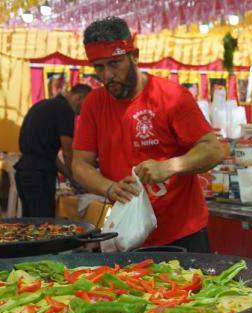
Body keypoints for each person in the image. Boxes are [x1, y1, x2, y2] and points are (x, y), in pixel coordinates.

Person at [72, 17, 224, 252]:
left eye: (115, 63)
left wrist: (170, 166)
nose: (108, 75)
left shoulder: (171, 96)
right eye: (99, 67)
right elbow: (80, 164)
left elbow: (213, 150)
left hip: (181, 232)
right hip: (128, 233)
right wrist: (109, 188)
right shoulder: (94, 103)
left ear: (134, 56)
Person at [15, 84, 91, 217]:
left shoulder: (44, 104)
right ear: (80, 97)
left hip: (24, 171)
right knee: (44, 223)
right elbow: (67, 152)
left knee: (30, 222)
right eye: (87, 105)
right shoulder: (65, 110)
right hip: (40, 175)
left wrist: (70, 176)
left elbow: (50, 155)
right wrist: (79, 177)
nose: (82, 112)